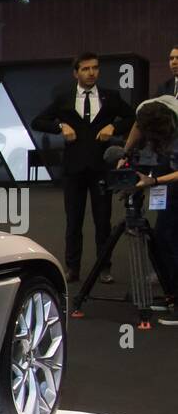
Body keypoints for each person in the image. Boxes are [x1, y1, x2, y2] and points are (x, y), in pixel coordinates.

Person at [33, 52, 136, 283]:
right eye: (86, 69)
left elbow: (132, 117)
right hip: (74, 169)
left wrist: (114, 127)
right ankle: (72, 268)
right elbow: (38, 121)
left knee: (103, 221)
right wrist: (61, 126)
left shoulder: (111, 97)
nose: (91, 73)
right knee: (73, 221)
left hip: (101, 167)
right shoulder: (64, 99)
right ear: (76, 73)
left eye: (95, 68)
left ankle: (104, 267)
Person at [118, 94, 178, 324]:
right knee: (163, 236)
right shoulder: (145, 108)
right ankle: (171, 293)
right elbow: (137, 125)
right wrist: (125, 153)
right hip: (168, 170)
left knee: (173, 241)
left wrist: (154, 182)